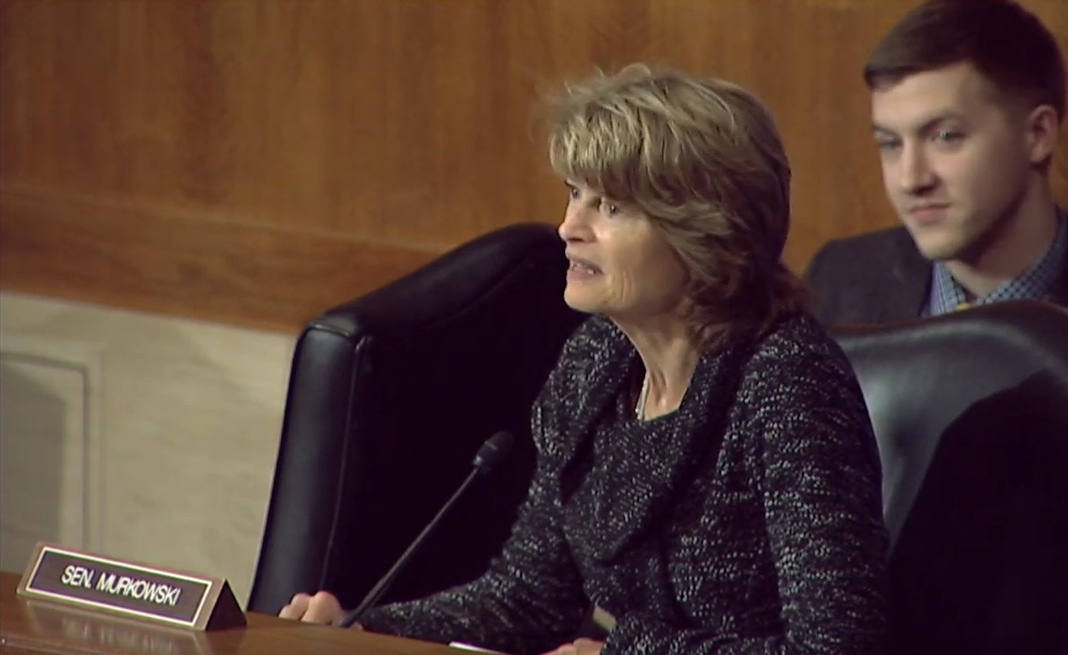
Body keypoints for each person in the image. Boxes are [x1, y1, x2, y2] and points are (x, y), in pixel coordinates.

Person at [279, 64, 889, 655]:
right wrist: (365, 631)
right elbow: (527, 601)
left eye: (613, 207)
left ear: (706, 231)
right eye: (575, 194)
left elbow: (836, 646)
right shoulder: (598, 359)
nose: (569, 226)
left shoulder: (789, 384)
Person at [805, 0, 1068, 325]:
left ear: (1038, 133)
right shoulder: (839, 281)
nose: (910, 180)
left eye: (945, 137)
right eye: (890, 143)